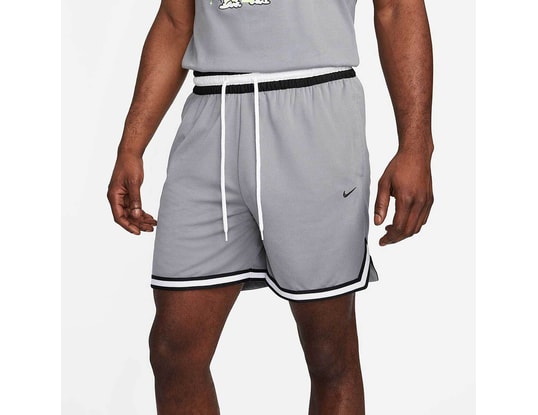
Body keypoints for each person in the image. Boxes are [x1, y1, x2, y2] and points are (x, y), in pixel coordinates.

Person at [107, 0, 434, 413]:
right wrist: (131, 146)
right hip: (211, 116)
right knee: (173, 351)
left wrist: (416, 146)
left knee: (328, 351)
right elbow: (175, 20)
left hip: (315, 110)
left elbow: (397, 8)